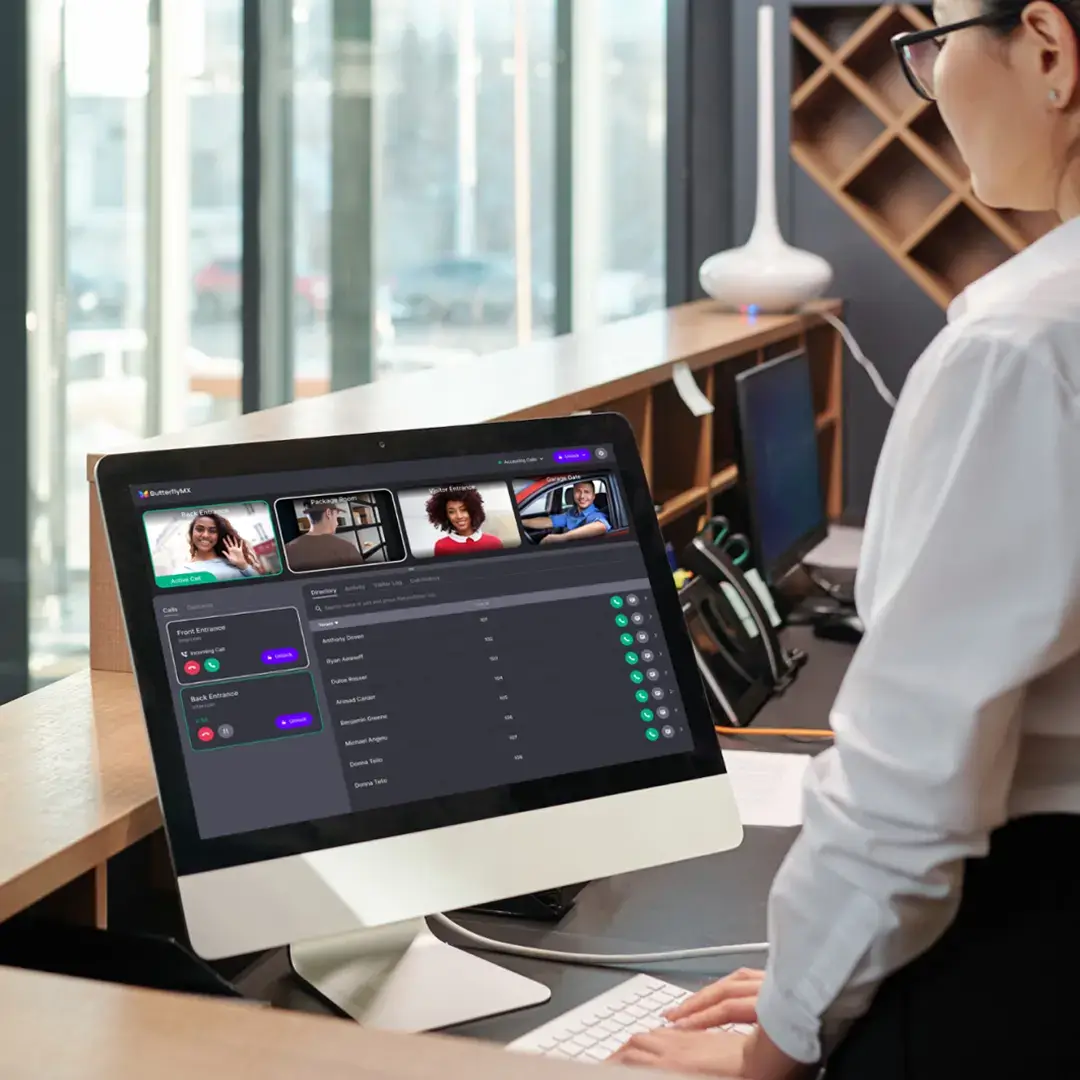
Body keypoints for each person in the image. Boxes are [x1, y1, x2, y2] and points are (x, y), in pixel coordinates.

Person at [612, 2, 1080, 1076]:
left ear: (1049, 52)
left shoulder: (1024, 346)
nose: (931, 79)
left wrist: (778, 1042)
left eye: (934, 42)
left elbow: (908, 791)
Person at [180, 511, 264, 581]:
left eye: (212, 531)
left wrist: (243, 565)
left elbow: (259, 585)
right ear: (191, 533)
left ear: (219, 535)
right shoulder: (185, 571)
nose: (205, 535)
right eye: (199, 529)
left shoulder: (234, 561)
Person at [523, 479, 610, 545]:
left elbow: (601, 526)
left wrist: (562, 537)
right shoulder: (571, 513)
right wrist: (520, 523)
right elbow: (549, 521)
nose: (582, 496)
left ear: (593, 496)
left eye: (586, 492)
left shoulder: (595, 514)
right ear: (573, 494)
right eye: (578, 491)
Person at [285, 502, 365, 572]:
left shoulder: (287, 549)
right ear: (328, 513)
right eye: (336, 515)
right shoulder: (347, 549)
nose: (337, 523)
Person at [426, 487, 505, 555]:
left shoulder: (494, 543)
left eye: (463, 510)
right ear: (445, 515)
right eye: (451, 512)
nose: (459, 516)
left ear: (472, 510)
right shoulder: (442, 547)